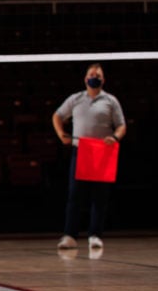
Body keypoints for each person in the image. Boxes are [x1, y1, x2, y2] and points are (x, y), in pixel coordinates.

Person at [52, 62, 126, 252]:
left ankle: (95, 235)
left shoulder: (110, 101)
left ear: (103, 79)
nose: (95, 77)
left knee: (100, 197)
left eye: (98, 75)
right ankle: (70, 236)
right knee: (75, 195)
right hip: (81, 151)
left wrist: (115, 137)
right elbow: (57, 116)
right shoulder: (76, 99)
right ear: (85, 79)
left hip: (102, 152)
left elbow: (121, 125)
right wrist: (62, 134)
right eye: (92, 74)